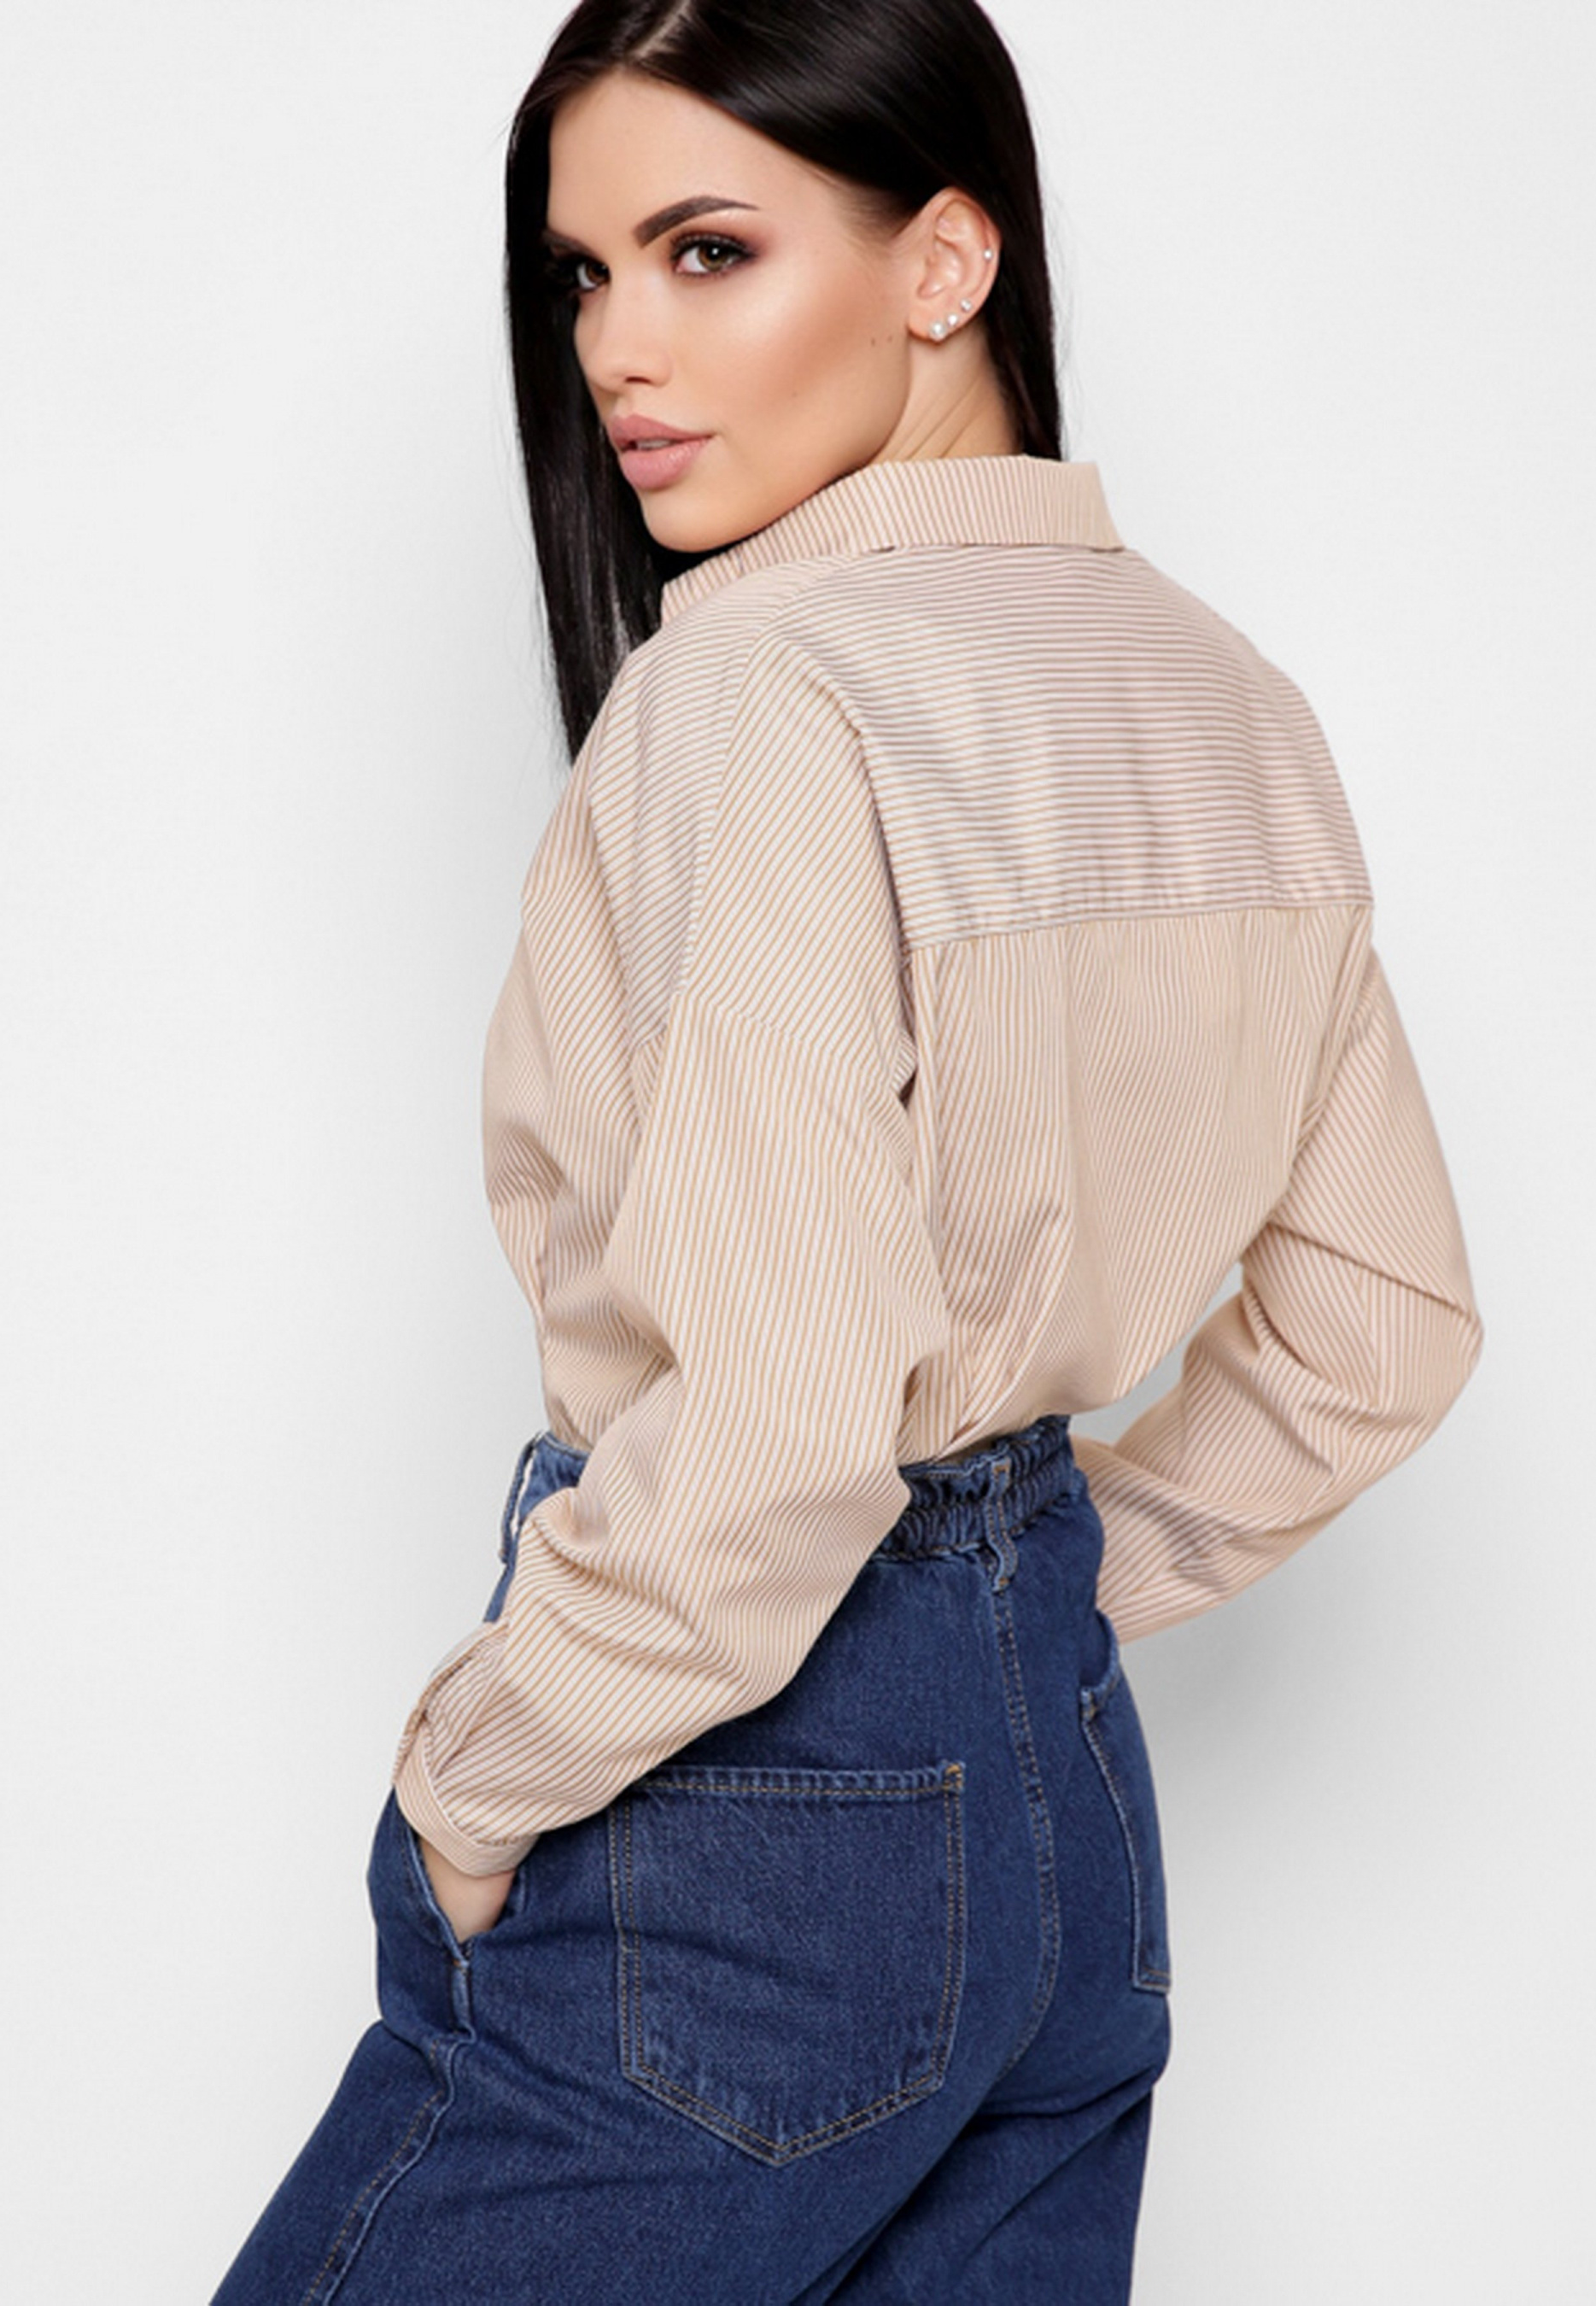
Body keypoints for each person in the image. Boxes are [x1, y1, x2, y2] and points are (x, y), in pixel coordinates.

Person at [211, 0, 1481, 2297]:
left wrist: (476, 1774)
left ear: (944, 262)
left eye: (707, 250)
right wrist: (1018, 1608)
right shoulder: (1226, 700)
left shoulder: (754, 683)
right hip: (1071, 1834)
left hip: (753, 1810)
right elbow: (1376, 1324)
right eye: (584, 272)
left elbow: (786, 1424)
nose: (620, 348)